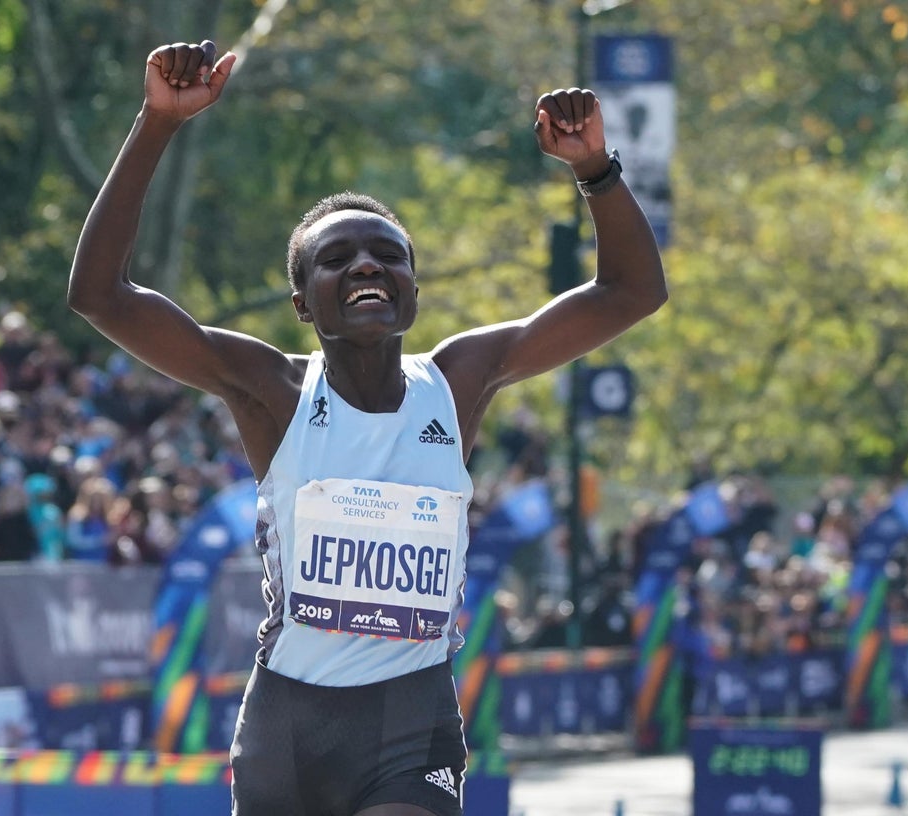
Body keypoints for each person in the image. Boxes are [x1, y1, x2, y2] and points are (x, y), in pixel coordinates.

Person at [68, 38, 665, 816]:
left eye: (389, 255)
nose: (366, 267)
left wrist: (597, 172)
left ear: (415, 292)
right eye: (336, 258)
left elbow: (631, 292)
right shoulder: (271, 390)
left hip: (409, 714)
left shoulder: (458, 381)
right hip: (289, 721)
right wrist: (156, 122)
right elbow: (100, 296)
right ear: (302, 304)